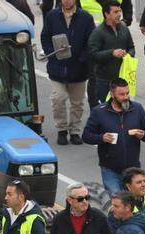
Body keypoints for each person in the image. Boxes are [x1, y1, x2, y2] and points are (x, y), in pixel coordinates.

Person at [81, 79, 145, 192]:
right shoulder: (99, 112)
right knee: (117, 202)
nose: (126, 97)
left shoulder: (137, 109)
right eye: (121, 94)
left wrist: (144, 135)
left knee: (132, 202)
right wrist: (101, 138)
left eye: (127, 93)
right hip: (110, 168)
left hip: (133, 169)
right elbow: (86, 135)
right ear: (112, 94)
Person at [42, 0, 95, 146]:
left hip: (78, 69)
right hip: (57, 68)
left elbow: (91, 41)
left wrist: (82, 59)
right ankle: (61, 129)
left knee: (77, 103)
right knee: (58, 98)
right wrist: (51, 54)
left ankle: (75, 131)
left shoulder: (86, 18)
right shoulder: (52, 16)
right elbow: (45, 36)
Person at [88, 2, 134, 106]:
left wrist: (128, 55)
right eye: (115, 12)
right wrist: (111, 53)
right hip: (104, 80)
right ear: (106, 14)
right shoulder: (98, 32)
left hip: (122, 78)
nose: (119, 14)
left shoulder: (124, 29)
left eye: (120, 11)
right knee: (104, 109)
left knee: (123, 108)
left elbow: (131, 47)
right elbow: (93, 55)